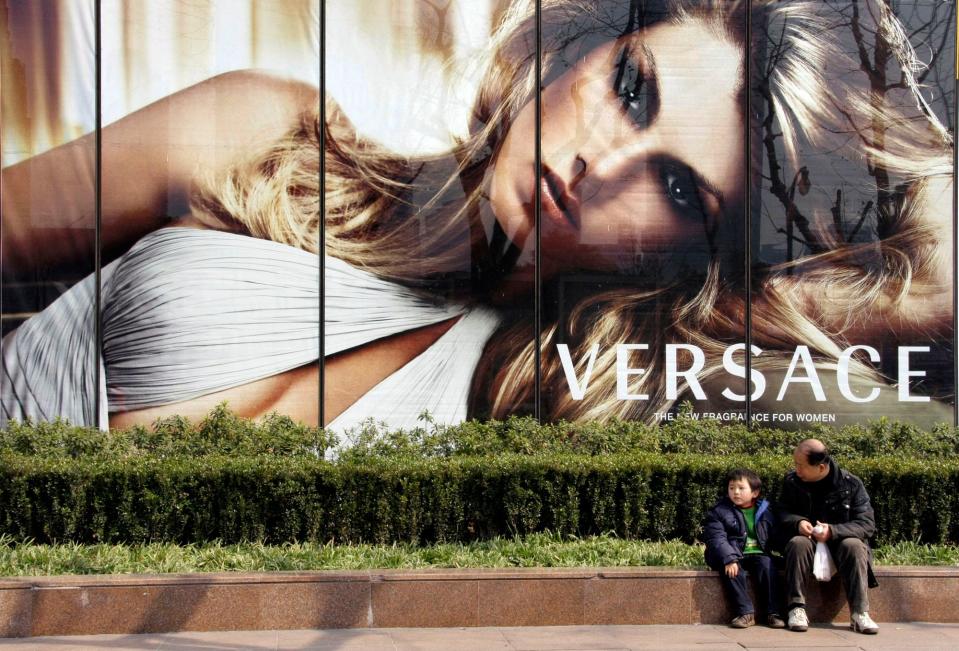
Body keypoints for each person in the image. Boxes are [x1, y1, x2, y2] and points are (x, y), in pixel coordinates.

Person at [1, 0, 953, 430]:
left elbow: (937, 293)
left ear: (691, 251)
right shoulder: (263, 130)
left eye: (675, 190)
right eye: (630, 87)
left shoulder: (560, 391)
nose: (603, 163)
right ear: (584, 42)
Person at [777, 439, 879, 634]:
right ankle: (796, 608)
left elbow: (866, 524)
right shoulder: (792, 482)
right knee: (797, 543)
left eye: (801, 465)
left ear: (821, 467)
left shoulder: (851, 484)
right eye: (795, 464)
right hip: (808, 543)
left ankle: (860, 613)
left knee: (854, 545)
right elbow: (781, 512)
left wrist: (833, 531)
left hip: (840, 545)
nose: (796, 469)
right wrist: (797, 522)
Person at [703, 468, 784, 629]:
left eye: (741, 488)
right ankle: (745, 613)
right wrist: (729, 558)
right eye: (731, 488)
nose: (736, 492)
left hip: (759, 554)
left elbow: (777, 535)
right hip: (732, 555)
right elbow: (716, 538)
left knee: (766, 565)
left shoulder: (766, 510)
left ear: (755, 492)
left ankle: (773, 613)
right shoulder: (719, 510)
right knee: (733, 571)